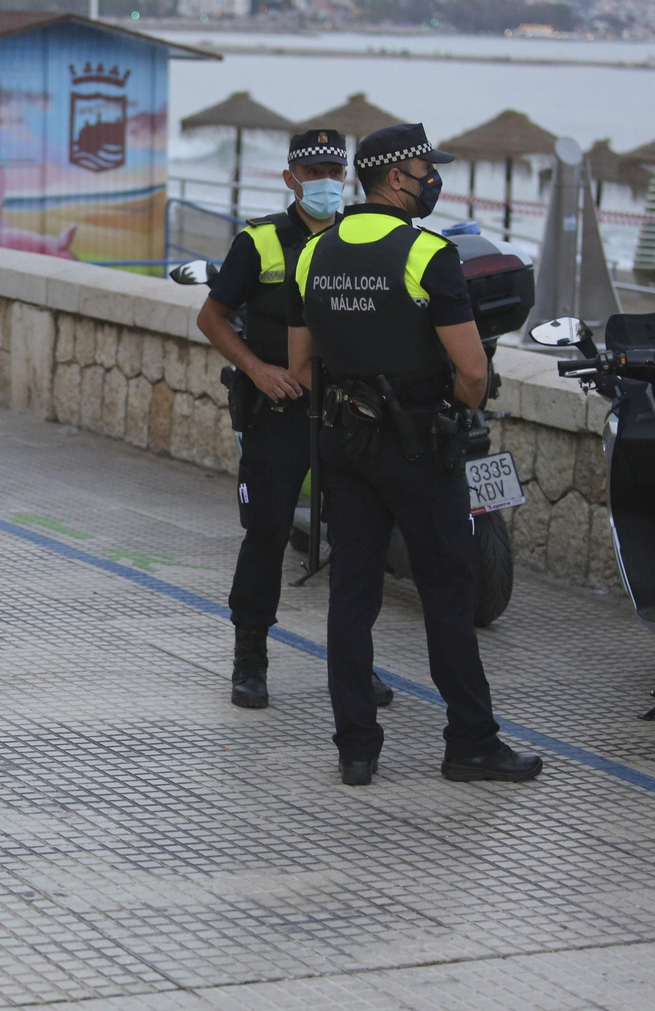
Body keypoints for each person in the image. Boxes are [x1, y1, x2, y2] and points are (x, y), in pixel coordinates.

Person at [286, 123, 543, 787]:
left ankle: (356, 748)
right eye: (428, 171)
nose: (435, 181)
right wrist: (450, 412)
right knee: (447, 591)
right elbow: (473, 371)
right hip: (420, 447)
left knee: (352, 594)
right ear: (396, 177)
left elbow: (300, 362)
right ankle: (470, 744)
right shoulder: (427, 253)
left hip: (345, 442)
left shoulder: (314, 253)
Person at [198, 128, 395, 713]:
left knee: (358, 541)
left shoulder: (359, 237)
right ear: (290, 179)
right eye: (313, 173)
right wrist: (258, 370)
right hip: (279, 411)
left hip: (346, 413)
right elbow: (212, 317)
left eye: (334, 172)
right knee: (267, 532)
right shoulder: (259, 241)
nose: (326, 183)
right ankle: (250, 661)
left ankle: (355, 663)